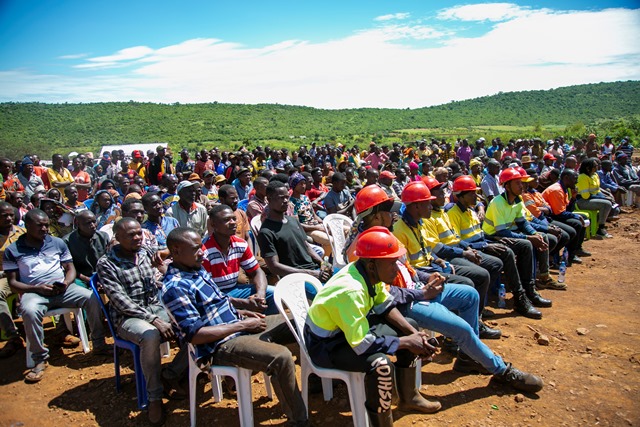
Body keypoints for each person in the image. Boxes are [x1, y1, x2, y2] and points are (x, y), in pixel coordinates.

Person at [162, 227, 308, 426]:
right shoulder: (175, 287)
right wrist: (242, 323)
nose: (202, 252)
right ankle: (298, 420)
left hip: (237, 326)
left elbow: (217, 302)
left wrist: (241, 312)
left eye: (201, 247)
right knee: (280, 358)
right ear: (177, 251)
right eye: (196, 249)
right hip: (218, 346)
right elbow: (195, 335)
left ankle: (315, 380)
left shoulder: (196, 270)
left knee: (297, 323)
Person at [306, 226, 442, 426]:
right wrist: (405, 342)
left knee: (409, 326)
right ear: (372, 264)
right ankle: (381, 422)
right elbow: (361, 344)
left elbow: (384, 306)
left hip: (347, 332)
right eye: (391, 263)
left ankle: (408, 397)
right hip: (327, 344)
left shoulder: (370, 273)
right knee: (381, 365)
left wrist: (415, 335)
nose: (397, 268)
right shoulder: (351, 290)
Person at [96, 217, 187, 425]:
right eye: (131, 235)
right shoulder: (107, 263)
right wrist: (154, 319)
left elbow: (155, 281)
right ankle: (154, 397)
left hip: (155, 307)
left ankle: (172, 373)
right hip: (128, 317)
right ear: (117, 238)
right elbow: (121, 302)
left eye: (139, 233)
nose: (138, 237)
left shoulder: (145, 253)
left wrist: (164, 274)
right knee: (150, 335)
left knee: (193, 321)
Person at [4, 209, 109, 382]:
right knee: (29, 311)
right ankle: (39, 358)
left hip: (63, 289)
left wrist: (66, 283)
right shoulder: (13, 250)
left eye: (46, 225)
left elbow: (70, 268)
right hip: (34, 292)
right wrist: (36, 288)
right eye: (39, 225)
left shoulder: (57, 243)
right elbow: (13, 283)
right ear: (27, 225)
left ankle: (99, 344)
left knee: (92, 298)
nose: (44, 229)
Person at [482, 168, 552, 310]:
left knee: (531, 242)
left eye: (521, 183)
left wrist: (534, 234)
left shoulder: (517, 201)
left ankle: (529, 290)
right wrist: (528, 237)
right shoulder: (497, 203)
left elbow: (523, 223)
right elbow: (501, 232)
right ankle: (520, 296)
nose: (522, 186)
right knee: (525, 244)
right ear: (507, 186)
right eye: (518, 183)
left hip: (503, 234)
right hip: (492, 237)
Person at [257, 181, 331, 296]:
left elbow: (306, 246)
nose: (286, 201)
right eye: (281, 198)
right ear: (269, 199)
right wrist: (311, 274)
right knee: (329, 294)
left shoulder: (292, 221)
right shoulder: (266, 232)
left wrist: (322, 264)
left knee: (348, 279)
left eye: (287, 197)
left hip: (314, 270)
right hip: (296, 278)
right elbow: (274, 267)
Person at [203, 204, 277, 314]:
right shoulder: (204, 251)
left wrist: (260, 294)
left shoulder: (240, 244)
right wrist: (243, 303)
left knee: (273, 293)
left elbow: (257, 271)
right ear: (213, 224)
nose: (233, 222)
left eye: (234, 218)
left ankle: (268, 323)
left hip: (234, 290)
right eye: (226, 220)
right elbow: (208, 294)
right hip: (214, 296)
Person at [542, 169, 589, 266]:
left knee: (582, 218)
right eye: (574, 178)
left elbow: (568, 209)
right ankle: (569, 255)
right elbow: (559, 213)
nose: (576, 181)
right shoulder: (556, 190)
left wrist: (573, 198)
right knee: (576, 224)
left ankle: (576, 249)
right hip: (550, 217)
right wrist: (576, 216)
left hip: (557, 214)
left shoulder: (565, 189)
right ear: (566, 178)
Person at [0, 202, 26, 358]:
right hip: (6, 276)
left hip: (27, 274)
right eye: (4, 216)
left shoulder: (23, 233)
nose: (9, 218)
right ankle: (13, 337)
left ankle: (61, 331)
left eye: (11, 215)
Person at [288, 172, 332, 256]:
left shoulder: (305, 198)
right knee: (329, 240)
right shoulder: (291, 203)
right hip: (307, 230)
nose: (303, 186)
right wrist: (318, 227)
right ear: (294, 186)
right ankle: (325, 264)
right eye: (300, 184)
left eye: (304, 183)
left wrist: (323, 224)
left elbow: (314, 215)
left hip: (315, 225)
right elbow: (298, 225)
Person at [62, 210, 110, 286]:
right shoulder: (67, 241)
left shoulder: (103, 237)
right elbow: (68, 268)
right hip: (81, 278)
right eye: (88, 223)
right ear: (78, 224)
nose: (93, 225)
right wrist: (89, 280)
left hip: (103, 275)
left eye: (94, 222)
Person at [575, 158, 615, 238]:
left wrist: (604, 197)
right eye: (595, 166)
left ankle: (596, 225)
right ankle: (600, 229)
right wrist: (603, 199)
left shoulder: (595, 175)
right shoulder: (583, 177)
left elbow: (597, 190)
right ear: (588, 168)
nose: (598, 167)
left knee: (611, 205)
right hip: (582, 201)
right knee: (606, 204)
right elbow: (585, 196)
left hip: (592, 199)